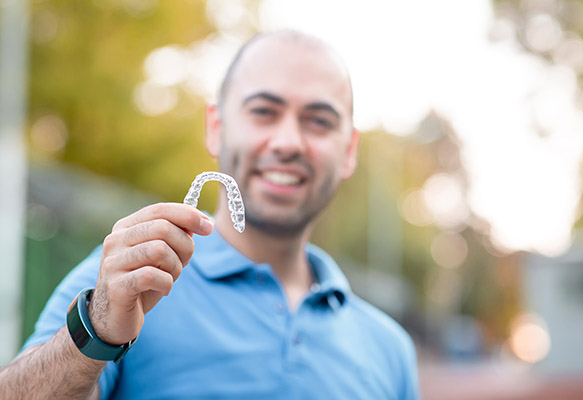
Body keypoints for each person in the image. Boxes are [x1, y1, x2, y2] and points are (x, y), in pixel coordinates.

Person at [0, 30, 420, 399]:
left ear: (348, 151)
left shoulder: (391, 351)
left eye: (318, 121)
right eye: (263, 111)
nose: (289, 141)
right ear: (216, 126)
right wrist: (97, 330)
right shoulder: (123, 281)